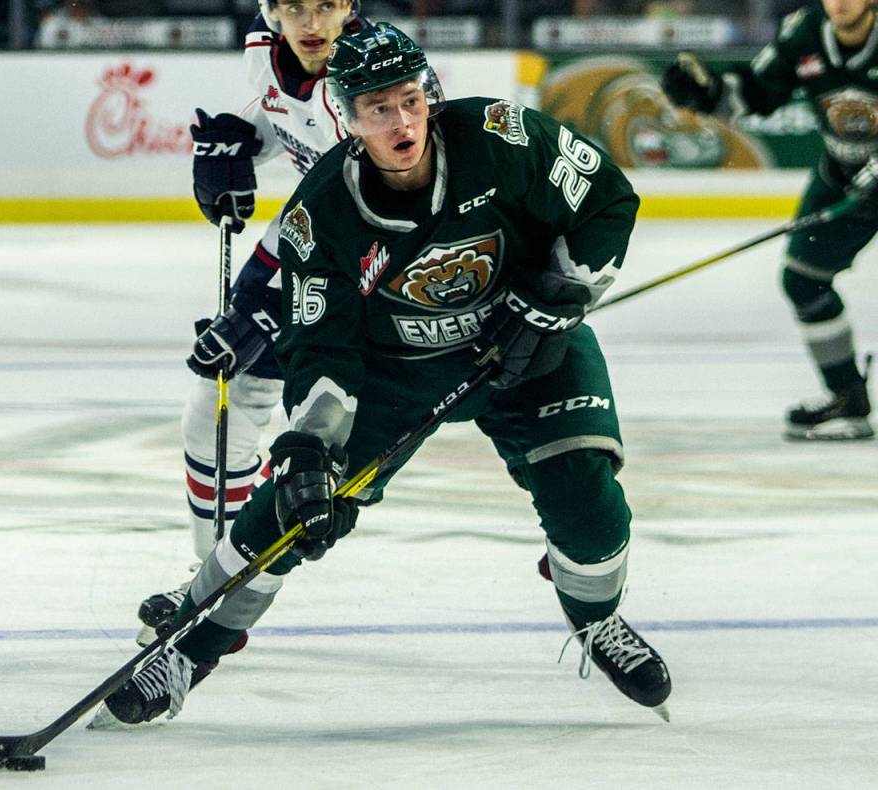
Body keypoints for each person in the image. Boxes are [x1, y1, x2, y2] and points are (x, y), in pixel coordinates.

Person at [95, 21, 672, 727]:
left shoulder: (504, 136)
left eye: (409, 100)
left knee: (586, 494)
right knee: (287, 507)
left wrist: (555, 299)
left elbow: (607, 201)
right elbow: (321, 347)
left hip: (529, 345)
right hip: (394, 370)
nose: (400, 122)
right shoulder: (322, 215)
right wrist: (310, 449)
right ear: (349, 117)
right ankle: (186, 647)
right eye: (377, 109)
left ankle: (596, 619)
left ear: (429, 92)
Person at [133, 0, 365, 647]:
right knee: (216, 412)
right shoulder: (268, 52)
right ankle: (214, 581)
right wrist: (233, 144)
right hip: (308, 239)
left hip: (381, 275)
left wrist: (268, 309)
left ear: (350, 6)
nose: (310, 21)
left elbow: (380, 208)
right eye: (293, 6)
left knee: (326, 453)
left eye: (325, 4)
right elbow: (276, 115)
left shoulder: (367, 79)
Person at [661, 0, 875, 440]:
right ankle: (846, 398)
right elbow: (756, 93)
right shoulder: (806, 31)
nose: (839, 3)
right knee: (803, 279)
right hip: (845, 177)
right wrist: (708, 94)